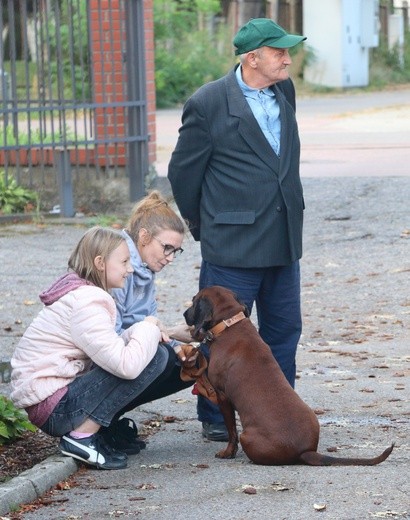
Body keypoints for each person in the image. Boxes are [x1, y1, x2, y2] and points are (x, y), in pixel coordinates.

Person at [168, 18, 307, 442]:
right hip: (232, 245)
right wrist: (205, 226)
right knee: (221, 338)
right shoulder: (208, 102)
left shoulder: (284, 90)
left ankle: (277, 413)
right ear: (252, 58)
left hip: (283, 237)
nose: (288, 58)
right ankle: (215, 419)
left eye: (287, 50)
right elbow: (183, 173)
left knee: (283, 331)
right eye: (279, 51)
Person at [10, 226, 195, 470]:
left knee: (158, 354)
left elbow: (111, 347)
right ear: (100, 262)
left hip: (57, 399)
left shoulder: (85, 295)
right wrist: (148, 327)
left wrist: (151, 330)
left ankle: (100, 430)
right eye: (125, 261)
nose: (130, 269)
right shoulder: (87, 302)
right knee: (153, 358)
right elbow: (125, 366)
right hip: (55, 409)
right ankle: (81, 438)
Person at [110, 190, 195, 408]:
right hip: (99, 361)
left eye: (177, 251)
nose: (171, 258)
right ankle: (97, 424)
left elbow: (149, 318)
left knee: (191, 363)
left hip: (124, 351)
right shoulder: (119, 267)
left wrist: (175, 345)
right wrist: (167, 337)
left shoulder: (145, 269)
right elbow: (111, 338)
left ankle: (109, 422)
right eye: (167, 248)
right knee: (160, 359)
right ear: (144, 237)